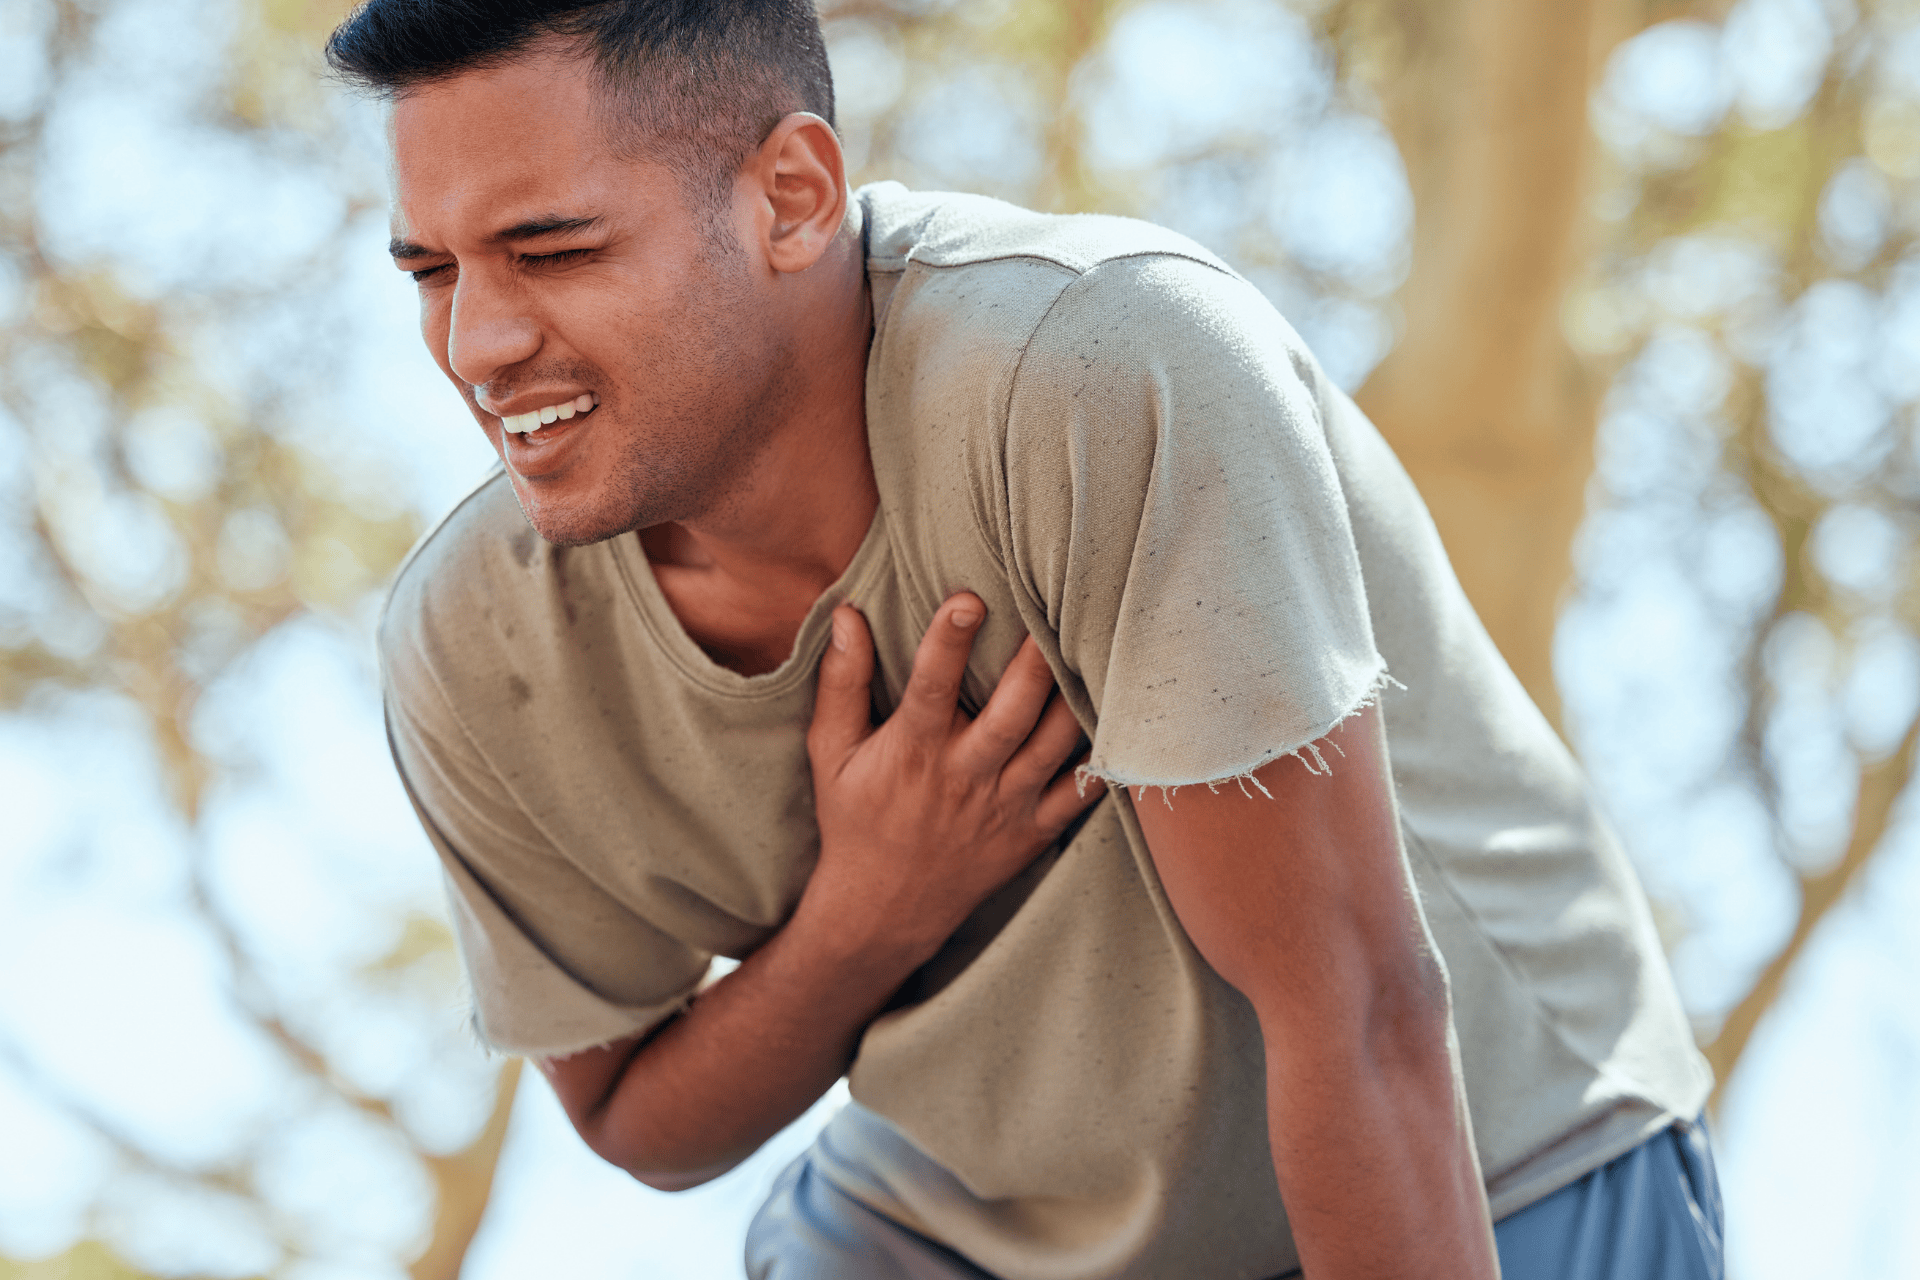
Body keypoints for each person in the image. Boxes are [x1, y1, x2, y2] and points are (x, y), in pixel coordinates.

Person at [329, 1, 1724, 1276]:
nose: (478, 344)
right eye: (433, 273)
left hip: (1492, 1153)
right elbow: (638, 1119)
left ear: (793, 198)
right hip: (994, 1218)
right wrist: (864, 919)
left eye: (552, 250)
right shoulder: (473, 651)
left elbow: (1356, 1013)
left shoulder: (1100, 369)